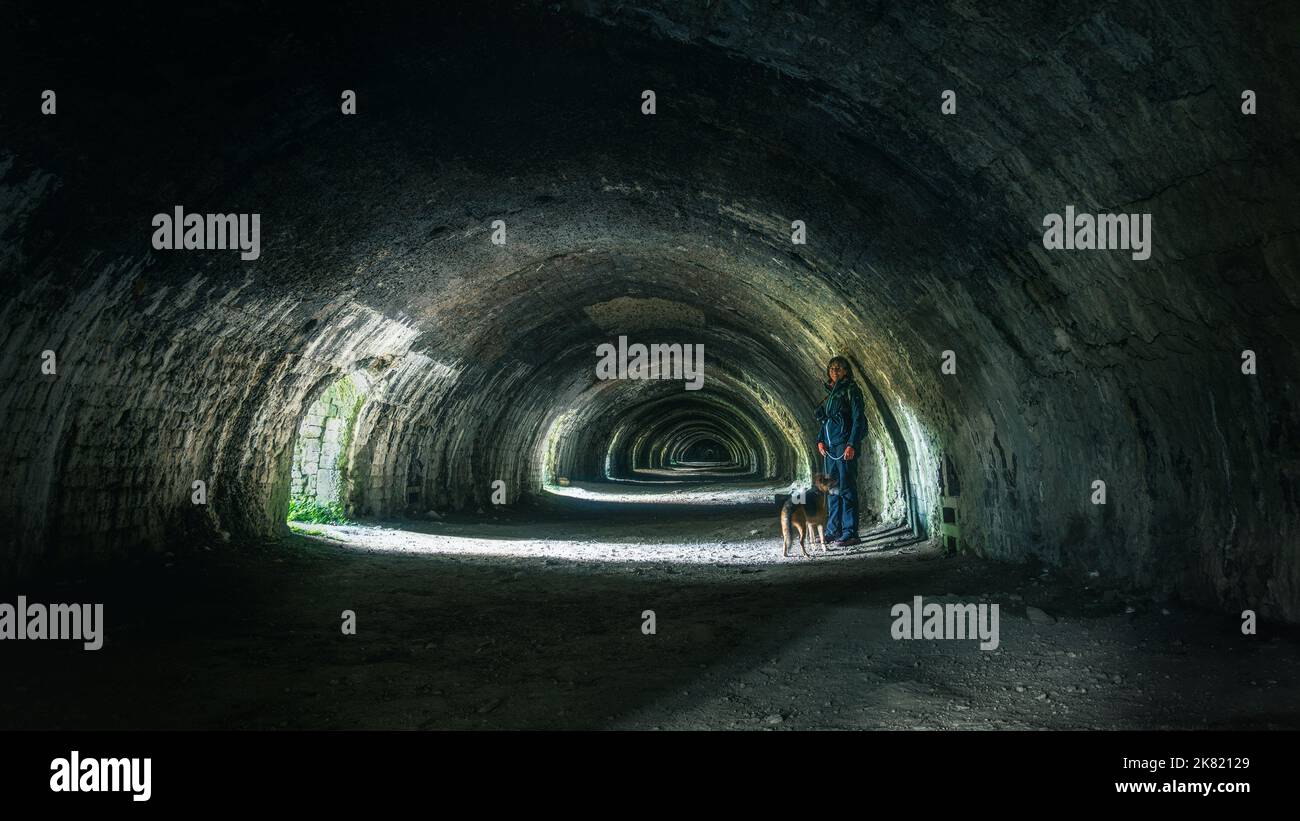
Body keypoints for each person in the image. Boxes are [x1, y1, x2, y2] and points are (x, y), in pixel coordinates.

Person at [815, 356, 866, 546]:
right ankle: (833, 530)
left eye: (838, 368)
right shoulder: (831, 394)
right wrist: (820, 440)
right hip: (830, 449)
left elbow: (858, 418)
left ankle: (850, 532)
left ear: (846, 371)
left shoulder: (851, 391)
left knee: (846, 489)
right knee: (833, 490)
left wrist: (852, 444)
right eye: (832, 368)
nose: (834, 371)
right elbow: (828, 420)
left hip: (844, 446)